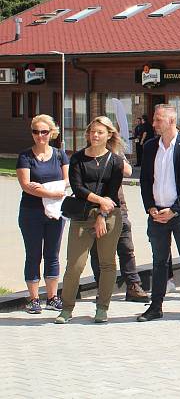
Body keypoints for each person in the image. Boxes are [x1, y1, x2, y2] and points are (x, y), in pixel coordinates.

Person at [55, 116, 132, 324]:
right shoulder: (78, 158)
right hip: (82, 216)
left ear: (109, 135)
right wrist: (99, 202)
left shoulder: (115, 161)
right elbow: (78, 188)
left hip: (108, 217)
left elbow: (113, 193)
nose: (95, 135)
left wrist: (101, 215)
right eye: (92, 132)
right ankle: (67, 309)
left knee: (107, 264)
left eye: (100, 132)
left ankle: (102, 308)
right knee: (75, 265)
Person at [138, 104, 180, 324]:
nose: (154, 123)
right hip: (156, 214)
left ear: (172, 121)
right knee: (159, 262)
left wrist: (174, 210)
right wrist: (151, 207)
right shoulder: (150, 147)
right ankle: (156, 306)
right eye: (155, 119)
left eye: (158, 119)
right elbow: (146, 180)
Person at [16, 114, 69, 314]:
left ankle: (53, 297)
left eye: (44, 132)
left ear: (51, 133)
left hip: (55, 212)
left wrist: (47, 189)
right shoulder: (25, 156)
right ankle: (33, 298)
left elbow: (68, 179)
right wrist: (51, 192)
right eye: (36, 132)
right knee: (33, 255)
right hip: (31, 213)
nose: (40, 136)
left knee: (52, 254)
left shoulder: (59, 154)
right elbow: (26, 185)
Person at [89, 187, 149, 303]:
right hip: (94, 210)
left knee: (126, 249)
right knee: (98, 252)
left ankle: (133, 285)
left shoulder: (115, 168)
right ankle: (102, 289)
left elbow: (128, 170)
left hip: (119, 210)